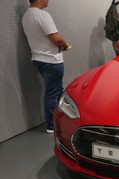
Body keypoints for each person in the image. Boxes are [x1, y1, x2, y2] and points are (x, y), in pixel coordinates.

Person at [22, 0, 71, 134]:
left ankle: (62, 118)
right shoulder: (42, 15)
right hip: (51, 59)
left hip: (38, 58)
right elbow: (56, 38)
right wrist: (65, 44)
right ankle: (51, 125)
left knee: (56, 90)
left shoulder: (26, 15)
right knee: (53, 92)